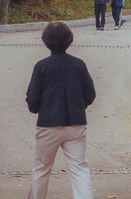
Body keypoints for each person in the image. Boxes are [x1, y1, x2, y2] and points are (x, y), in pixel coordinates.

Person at [26, 22, 96, 199]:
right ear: (69, 40)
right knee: (79, 168)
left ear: (46, 41)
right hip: (76, 123)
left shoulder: (41, 66)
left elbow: (33, 98)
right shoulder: (78, 64)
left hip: (48, 124)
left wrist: (38, 109)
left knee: (42, 168)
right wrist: (81, 105)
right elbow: (90, 93)